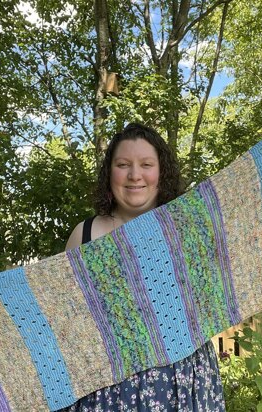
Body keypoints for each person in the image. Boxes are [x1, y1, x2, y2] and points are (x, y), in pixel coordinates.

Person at [63, 123, 226, 411]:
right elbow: (65, 322)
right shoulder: (84, 235)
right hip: (105, 390)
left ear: (161, 173)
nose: (134, 175)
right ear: (109, 173)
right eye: (123, 164)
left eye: (146, 164)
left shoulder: (185, 231)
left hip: (183, 384)